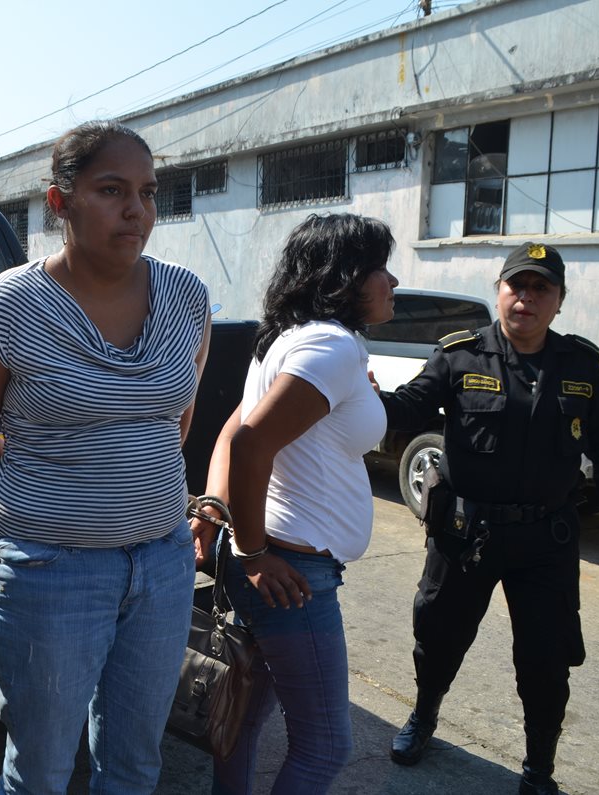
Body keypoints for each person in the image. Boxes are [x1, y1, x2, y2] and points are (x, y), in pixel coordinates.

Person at [0, 120, 211, 794]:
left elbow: (171, 424)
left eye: (149, 192)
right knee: (40, 767)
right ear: (58, 201)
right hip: (47, 573)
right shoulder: (6, 309)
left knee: (135, 761)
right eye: (111, 190)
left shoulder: (187, 296)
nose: (137, 210)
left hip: (161, 563)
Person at [380, 242, 599, 795]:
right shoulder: (459, 355)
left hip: (544, 539)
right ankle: (423, 717)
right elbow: (408, 405)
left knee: (547, 658)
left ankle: (538, 767)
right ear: (499, 291)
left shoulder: (579, 365)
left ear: (558, 300)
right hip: (465, 535)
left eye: (539, 288)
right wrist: (361, 397)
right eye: (515, 285)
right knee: (439, 636)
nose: (525, 297)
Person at [192, 213, 399, 794]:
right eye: (379, 267)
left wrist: (213, 513)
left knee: (242, 717)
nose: (392, 281)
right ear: (345, 276)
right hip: (290, 572)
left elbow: (236, 430)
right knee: (327, 744)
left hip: (276, 564)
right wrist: (253, 552)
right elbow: (252, 441)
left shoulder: (290, 340)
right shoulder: (329, 346)